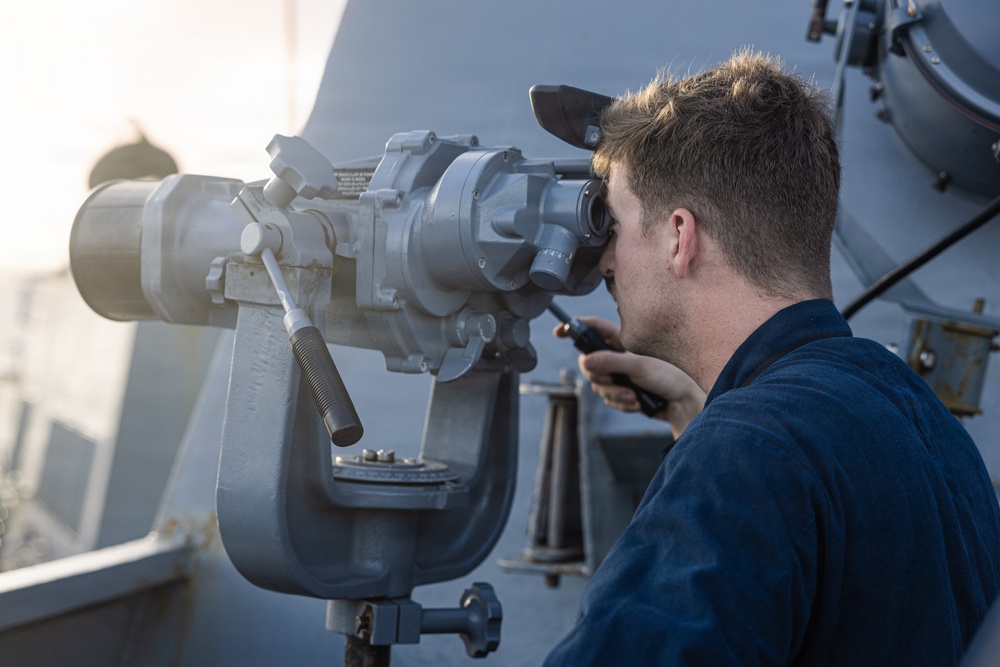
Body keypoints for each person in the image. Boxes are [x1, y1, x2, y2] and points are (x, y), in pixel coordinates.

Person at [543, 49, 1000, 666]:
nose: (604, 261)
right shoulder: (926, 422)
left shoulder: (746, 451)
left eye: (617, 226)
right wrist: (691, 405)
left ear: (681, 237)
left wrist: (718, 430)